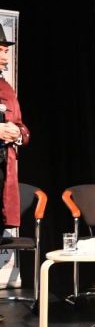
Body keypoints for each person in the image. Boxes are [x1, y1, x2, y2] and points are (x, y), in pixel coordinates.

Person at [0, 28, 29, 230]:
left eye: (5, 51)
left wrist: (18, 133)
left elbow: (20, 125)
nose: (4, 57)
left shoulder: (6, 88)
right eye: (0, 51)